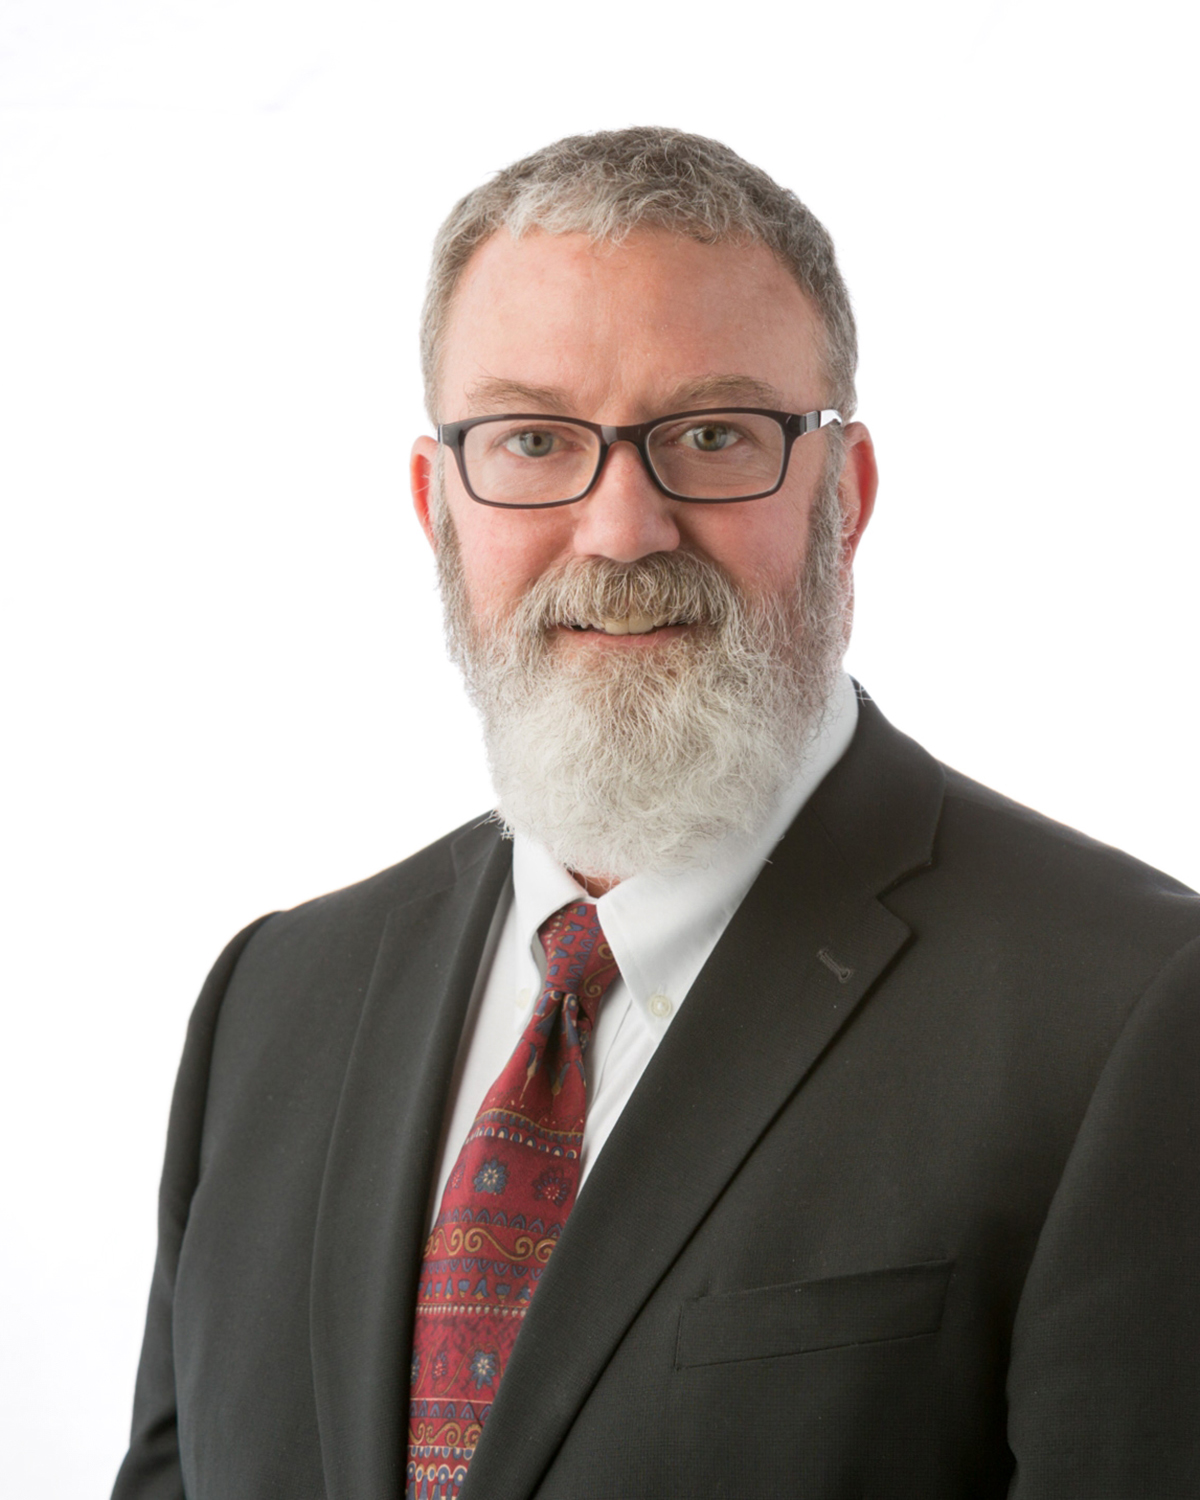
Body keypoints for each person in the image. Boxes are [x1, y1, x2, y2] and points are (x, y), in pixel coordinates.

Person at [112, 128, 1200, 1500]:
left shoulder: (1132, 1011)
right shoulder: (271, 1003)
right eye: (532, 439)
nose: (622, 529)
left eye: (711, 435)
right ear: (438, 509)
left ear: (845, 498)